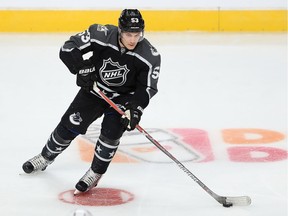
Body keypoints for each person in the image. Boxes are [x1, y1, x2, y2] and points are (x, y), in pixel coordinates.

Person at [22, 9, 161, 194]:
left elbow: (147, 88)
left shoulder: (150, 55)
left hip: (123, 99)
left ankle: (95, 173)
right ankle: (46, 157)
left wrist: (135, 109)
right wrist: (81, 68)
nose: (133, 40)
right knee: (69, 124)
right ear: (120, 30)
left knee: (111, 134)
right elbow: (68, 48)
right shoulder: (100, 34)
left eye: (137, 35)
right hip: (95, 90)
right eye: (129, 34)